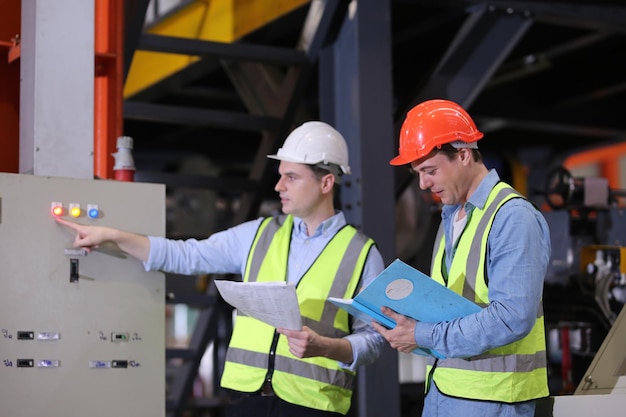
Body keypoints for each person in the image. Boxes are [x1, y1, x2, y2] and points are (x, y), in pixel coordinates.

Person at [56, 121, 385, 417]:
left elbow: (374, 339)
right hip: (246, 402)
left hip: (313, 407)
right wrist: (112, 236)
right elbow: (186, 255)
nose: (279, 186)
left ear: (326, 182)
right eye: (280, 175)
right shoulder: (258, 234)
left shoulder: (361, 254)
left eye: (291, 177)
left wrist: (327, 347)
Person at [374, 99, 551, 417]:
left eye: (429, 170)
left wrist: (420, 334)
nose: (423, 184)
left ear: (464, 154)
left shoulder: (512, 217)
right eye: (417, 173)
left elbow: (512, 317)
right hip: (444, 392)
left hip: (494, 401)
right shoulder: (451, 217)